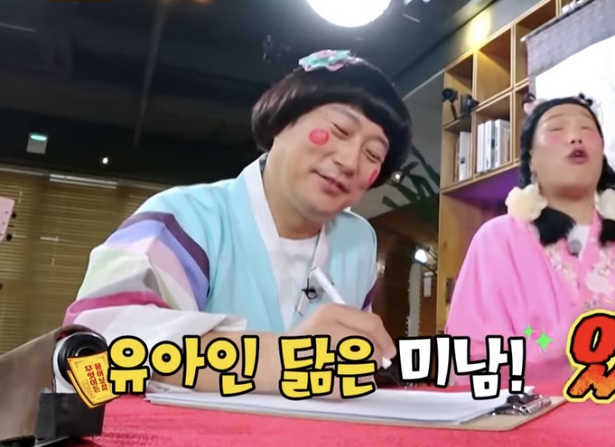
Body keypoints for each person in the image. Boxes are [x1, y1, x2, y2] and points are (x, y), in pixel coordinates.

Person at [64, 50, 411, 393]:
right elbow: (92, 348)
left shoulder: (358, 242)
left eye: (373, 154)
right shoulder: (182, 219)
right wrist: (285, 360)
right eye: (339, 129)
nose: (350, 161)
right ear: (282, 121)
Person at [444, 94, 615, 385]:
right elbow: (471, 362)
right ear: (531, 160)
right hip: (530, 412)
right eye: (556, 129)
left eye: (587, 129)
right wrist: (560, 347)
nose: (575, 137)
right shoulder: (497, 241)